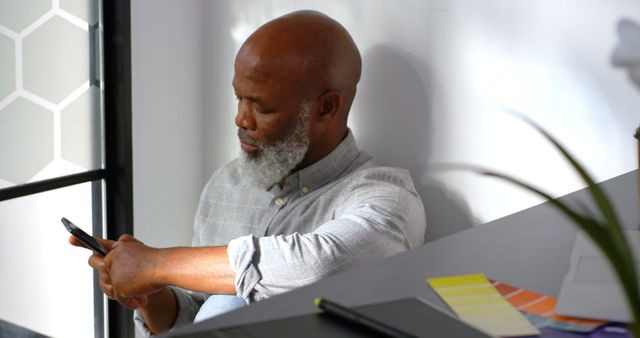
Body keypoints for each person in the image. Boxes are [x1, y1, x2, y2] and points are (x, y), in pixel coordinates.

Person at [69, 9, 426, 336]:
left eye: (262, 106)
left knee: (233, 302)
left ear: (327, 108)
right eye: (239, 98)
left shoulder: (387, 197)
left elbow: (324, 264)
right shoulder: (227, 185)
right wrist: (151, 291)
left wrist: (157, 263)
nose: (241, 119)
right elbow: (197, 318)